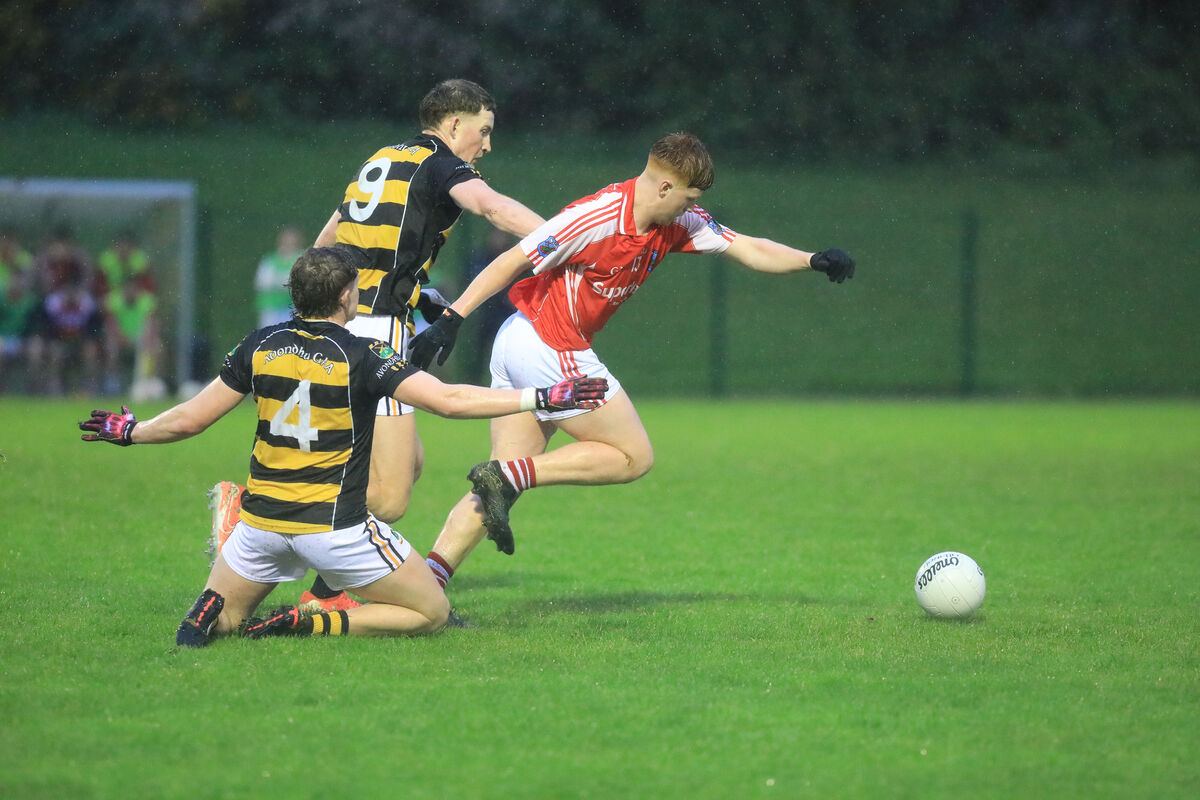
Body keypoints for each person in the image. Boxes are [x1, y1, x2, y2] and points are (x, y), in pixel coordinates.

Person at [78, 247, 606, 646]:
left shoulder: (257, 346)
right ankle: (311, 620)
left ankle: (209, 607)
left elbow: (190, 420)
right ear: (346, 297)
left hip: (260, 526)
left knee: (228, 622)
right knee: (432, 613)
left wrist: (130, 430)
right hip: (333, 532)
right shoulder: (363, 354)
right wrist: (542, 395)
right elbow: (447, 400)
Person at [407, 132, 856, 590]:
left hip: (522, 340)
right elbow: (511, 260)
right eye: (688, 197)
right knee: (631, 456)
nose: (691, 208)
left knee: (497, 487)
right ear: (664, 187)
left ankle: (424, 588)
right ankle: (507, 476)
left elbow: (748, 248)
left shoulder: (680, 221)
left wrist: (812, 260)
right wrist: (452, 318)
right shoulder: (597, 217)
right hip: (548, 343)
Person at [208, 78, 547, 614]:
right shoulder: (441, 165)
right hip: (373, 334)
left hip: (352, 323)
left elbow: (331, 240)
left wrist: (415, 294)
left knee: (407, 465)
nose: (486, 146)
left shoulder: (387, 157)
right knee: (389, 496)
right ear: (453, 124)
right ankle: (253, 521)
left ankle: (324, 590)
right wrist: (567, 235)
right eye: (482, 132)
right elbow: (493, 208)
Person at [254, 226, 305, 327]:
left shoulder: (302, 259)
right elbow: (262, 283)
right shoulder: (270, 260)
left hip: (294, 309)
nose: (289, 244)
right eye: (287, 241)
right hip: (271, 308)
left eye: (292, 241)